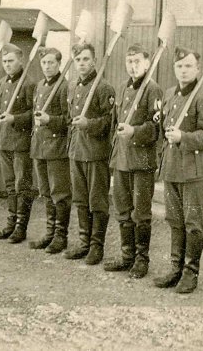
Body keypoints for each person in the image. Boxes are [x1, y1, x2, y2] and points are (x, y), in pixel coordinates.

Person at [154, 46, 203, 294]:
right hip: (172, 167)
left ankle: (190, 272)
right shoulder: (170, 95)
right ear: (174, 69)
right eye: (179, 66)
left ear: (198, 69)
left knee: (193, 223)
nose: (183, 70)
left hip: (194, 170)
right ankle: (175, 268)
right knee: (174, 220)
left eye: (188, 66)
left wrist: (183, 137)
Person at [105, 44, 162, 278]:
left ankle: (141, 259)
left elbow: (156, 127)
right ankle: (127, 256)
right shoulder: (122, 88)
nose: (133, 66)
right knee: (122, 209)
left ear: (147, 63)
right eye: (129, 61)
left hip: (142, 160)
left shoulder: (152, 90)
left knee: (141, 212)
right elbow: (114, 123)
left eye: (137, 61)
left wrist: (134, 131)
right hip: (122, 160)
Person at [63, 43, 115, 265]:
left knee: (97, 201)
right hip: (76, 151)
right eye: (78, 60)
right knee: (81, 199)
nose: (82, 63)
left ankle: (96, 246)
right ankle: (84, 243)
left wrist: (88, 124)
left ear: (93, 60)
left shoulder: (103, 88)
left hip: (96, 153)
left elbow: (110, 122)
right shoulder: (73, 86)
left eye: (85, 59)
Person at [0, 43, 35, 244]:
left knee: (21, 184)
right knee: (9, 185)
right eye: (5, 61)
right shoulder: (1, 83)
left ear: (20, 61)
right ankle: (11, 223)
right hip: (5, 141)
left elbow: (33, 115)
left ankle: (21, 227)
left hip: (20, 142)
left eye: (11, 61)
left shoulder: (28, 84)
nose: (7, 64)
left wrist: (14, 119)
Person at [29, 47, 72, 254]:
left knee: (59, 194)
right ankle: (50, 232)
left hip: (57, 148)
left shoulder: (64, 87)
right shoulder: (39, 86)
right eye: (44, 63)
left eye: (51, 63)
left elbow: (69, 120)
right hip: (40, 147)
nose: (47, 66)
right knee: (46, 193)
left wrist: (50, 120)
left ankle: (60, 236)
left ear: (59, 64)